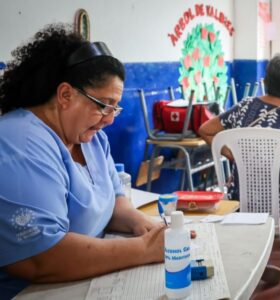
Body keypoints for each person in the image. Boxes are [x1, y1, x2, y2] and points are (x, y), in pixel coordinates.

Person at [0, 24, 166, 299]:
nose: (110, 119)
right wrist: (144, 249)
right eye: (104, 105)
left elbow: (114, 200)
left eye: (115, 107)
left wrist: (144, 226)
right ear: (66, 95)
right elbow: (40, 258)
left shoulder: (92, 139)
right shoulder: (20, 143)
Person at [198, 54, 280, 279]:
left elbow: (205, 129)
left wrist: (231, 154)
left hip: (239, 201)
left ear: (264, 82)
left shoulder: (244, 107)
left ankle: (252, 259)